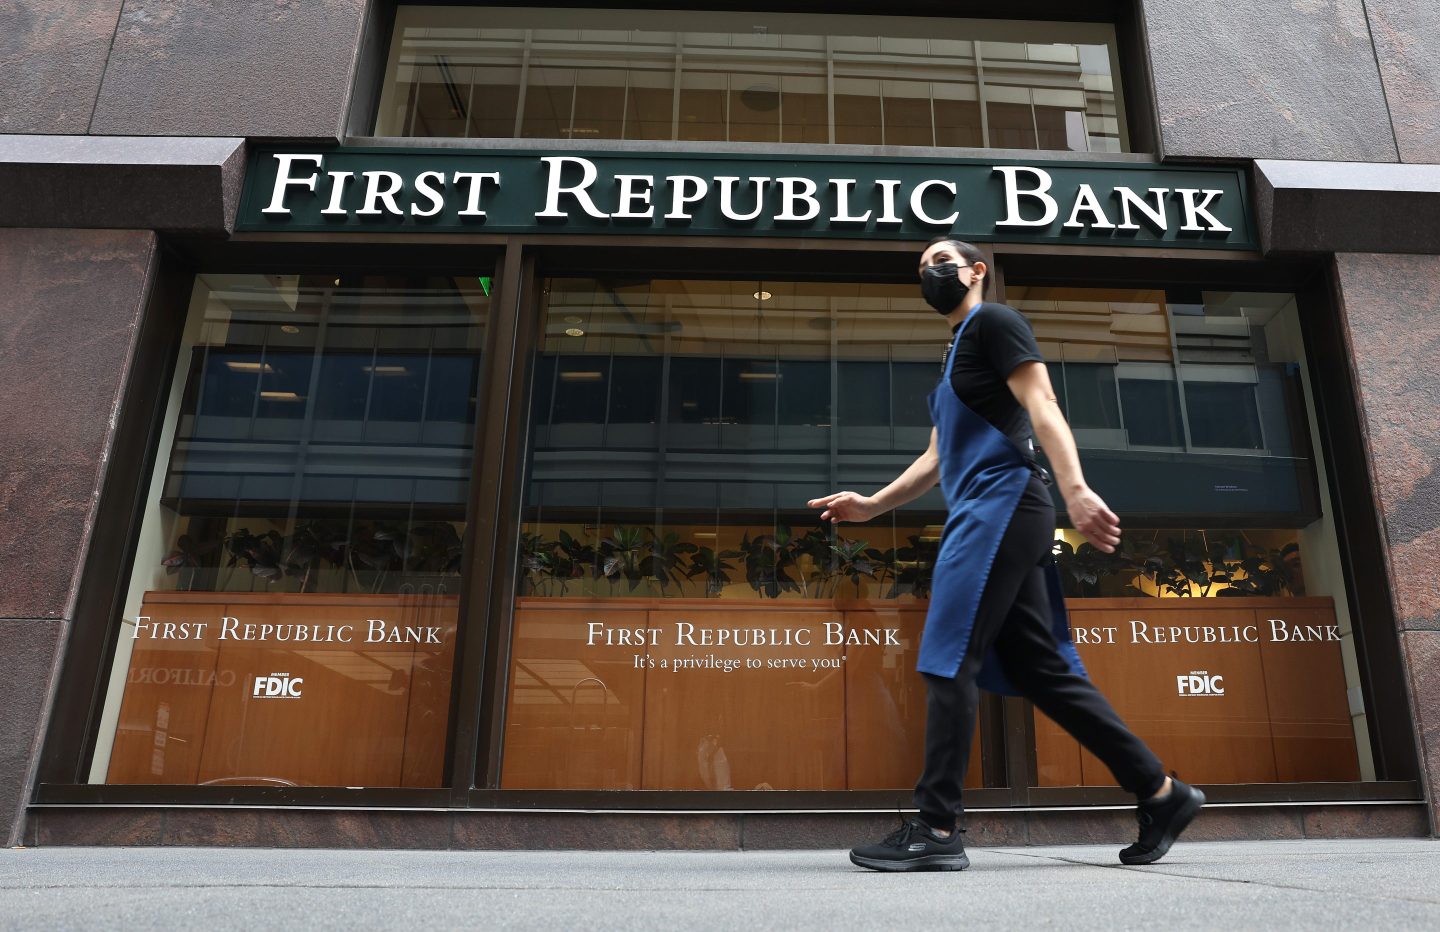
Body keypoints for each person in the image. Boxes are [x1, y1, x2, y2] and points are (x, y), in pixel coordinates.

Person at [808, 238, 1204, 872]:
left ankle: (937, 827)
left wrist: (1076, 489)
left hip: (1001, 504)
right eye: (922, 268)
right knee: (1044, 670)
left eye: (941, 261)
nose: (930, 273)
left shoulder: (995, 321)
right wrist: (872, 505)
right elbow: (936, 458)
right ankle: (1160, 793)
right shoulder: (954, 356)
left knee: (947, 657)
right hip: (989, 509)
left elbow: (1042, 403)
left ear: (976, 271)